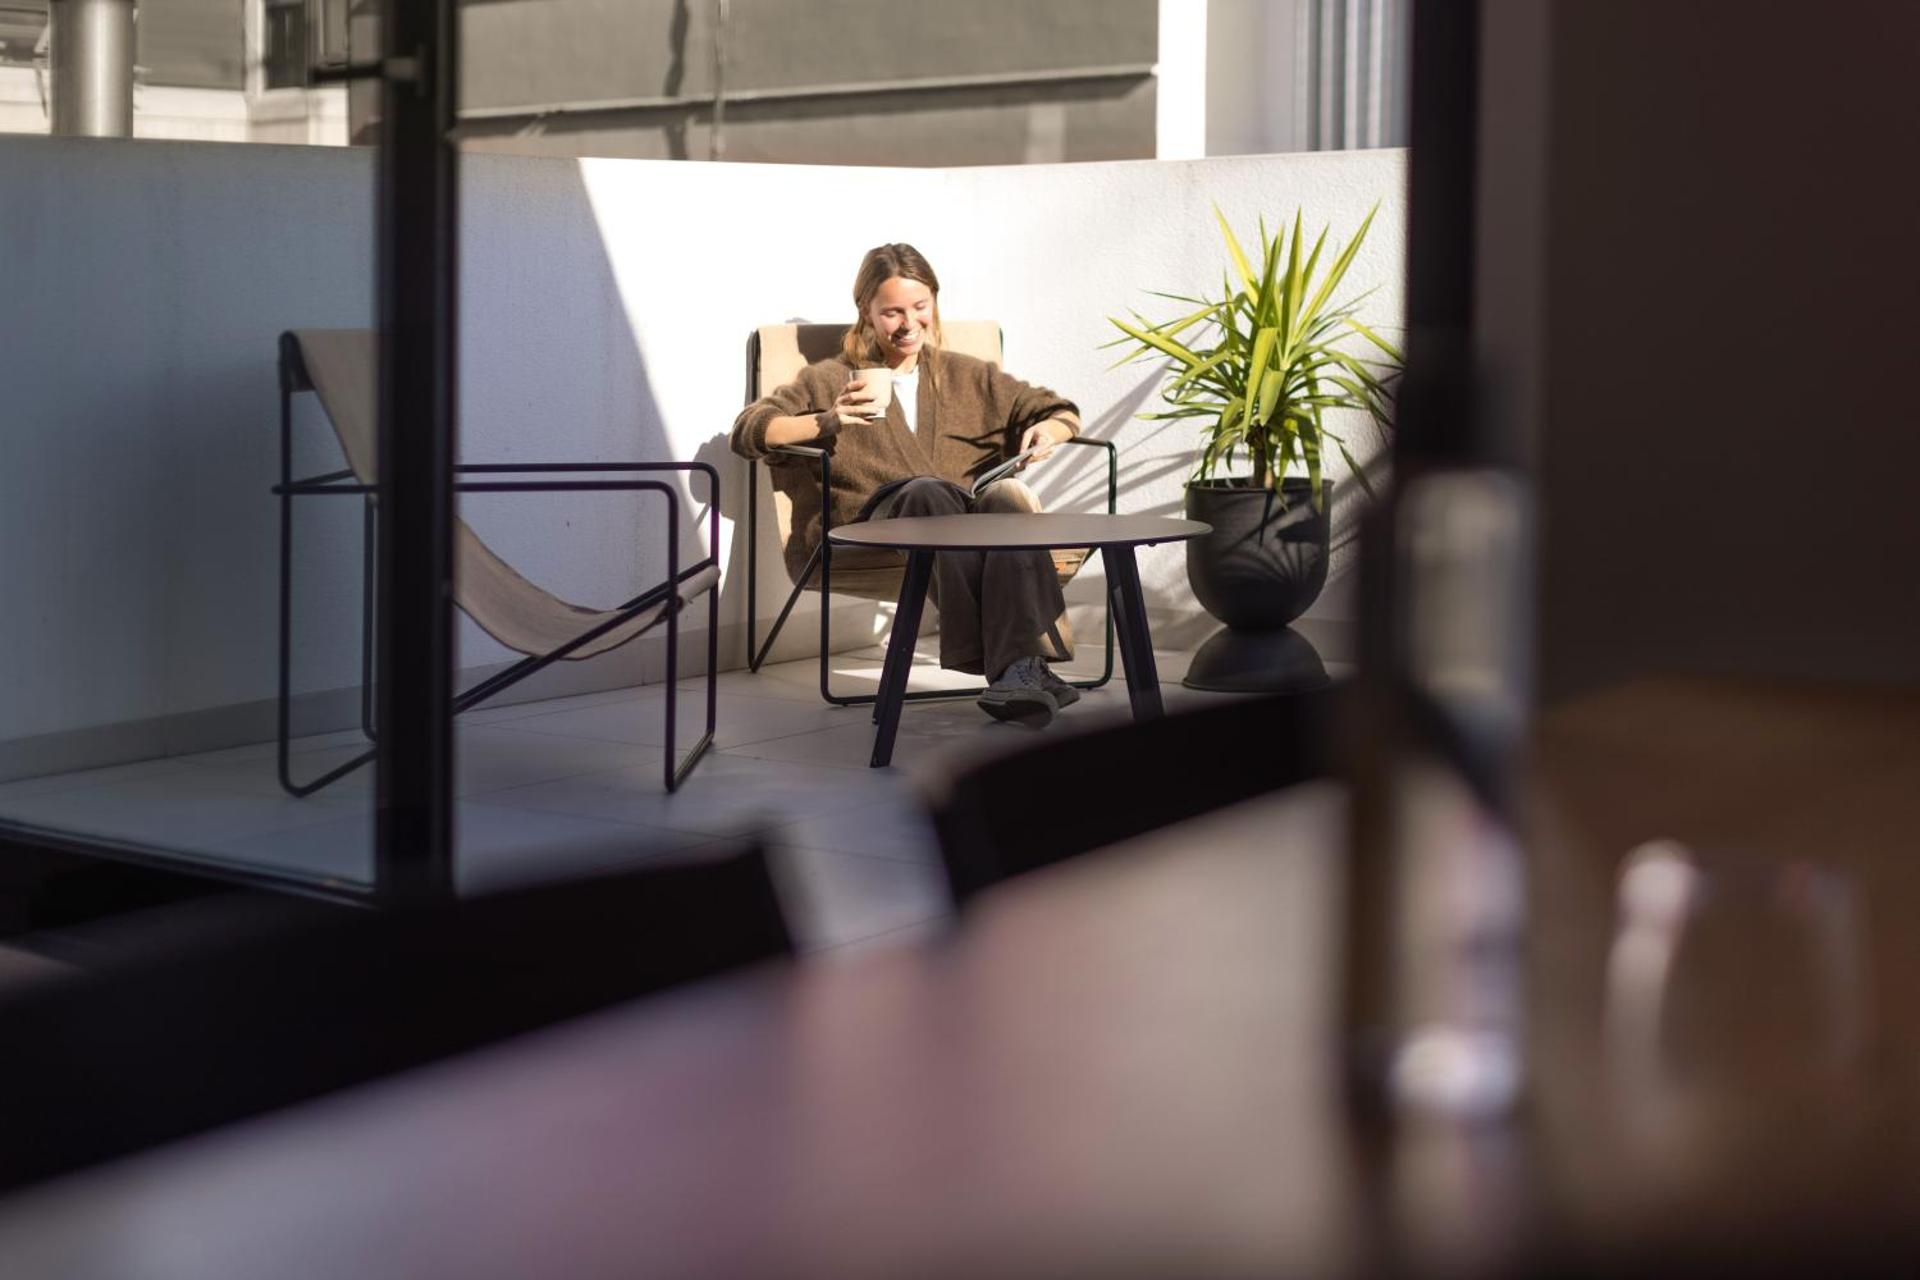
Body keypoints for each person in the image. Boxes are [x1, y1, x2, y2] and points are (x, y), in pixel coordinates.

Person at [730, 242, 1083, 726]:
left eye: (920, 307)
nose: (909, 323)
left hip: (962, 534)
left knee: (1010, 496)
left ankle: (1016, 672)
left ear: (935, 303)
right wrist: (829, 420)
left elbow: (1057, 410)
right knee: (926, 490)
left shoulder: (966, 375)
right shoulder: (831, 378)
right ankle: (1018, 664)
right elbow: (750, 431)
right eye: (892, 312)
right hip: (867, 531)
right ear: (866, 312)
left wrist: (1048, 431)